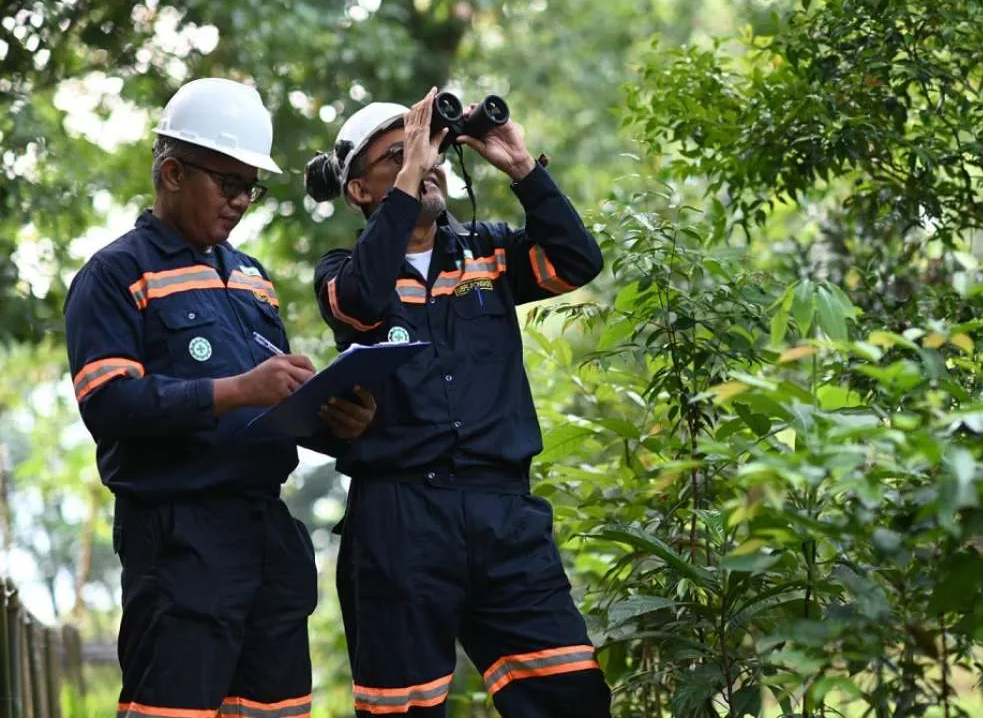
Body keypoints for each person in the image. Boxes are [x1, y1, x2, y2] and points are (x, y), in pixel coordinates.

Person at [64, 77, 378, 718]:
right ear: (173, 172)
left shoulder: (253, 279)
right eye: (227, 183)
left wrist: (334, 418)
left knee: (275, 709)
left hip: (265, 532)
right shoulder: (117, 273)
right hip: (180, 537)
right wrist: (236, 391)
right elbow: (109, 403)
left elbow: (272, 401)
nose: (240, 201)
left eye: (250, 188)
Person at [304, 87, 611, 717]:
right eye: (398, 154)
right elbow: (361, 300)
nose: (427, 159)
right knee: (403, 710)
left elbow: (577, 262)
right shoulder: (342, 272)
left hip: (505, 515)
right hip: (399, 521)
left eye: (432, 146)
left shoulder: (489, 253)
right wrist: (414, 167)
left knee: (569, 696)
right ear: (360, 191)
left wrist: (523, 168)